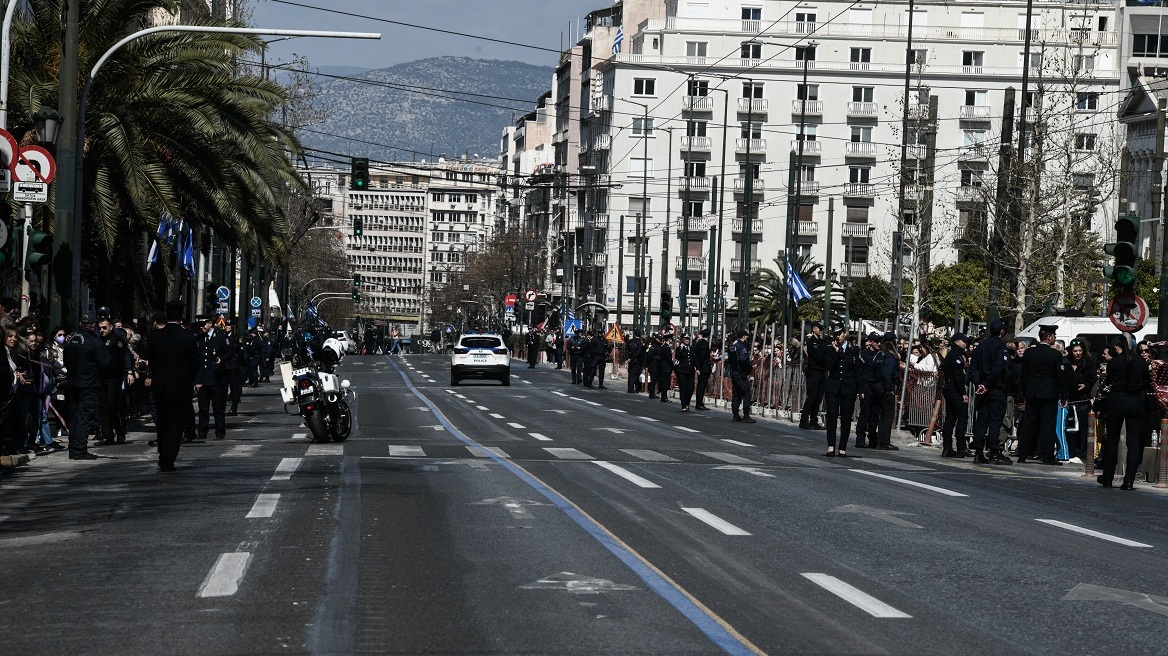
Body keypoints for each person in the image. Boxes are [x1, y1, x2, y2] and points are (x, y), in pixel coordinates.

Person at [145, 304, 198, 472]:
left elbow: (151, 360)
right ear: (181, 315)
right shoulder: (188, 337)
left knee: (163, 421)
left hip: (161, 386)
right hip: (181, 387)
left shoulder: (155, 337)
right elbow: (194, 363)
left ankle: (163, 453)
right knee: (176, 424)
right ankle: (169, 457)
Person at [1099, 336, 1148, 490]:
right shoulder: (1140, 362)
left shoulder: (1114, 362)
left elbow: (1108, 382)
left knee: (1112, 441)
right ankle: (1129, 481)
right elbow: (1146, 382)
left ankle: (1107, 478)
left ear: (1116, 347)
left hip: (1117, 401)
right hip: (1135, 401)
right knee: (1133, 442)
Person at [1017, 324, 1067, 466]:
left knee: (1028, 424)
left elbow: (1024, 376)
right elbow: (1060, 377)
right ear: (1049, 337)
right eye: (1054, 336)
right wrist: (1064, 396)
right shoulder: (1055, 355)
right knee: (1048, 425)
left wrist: (1026, 393)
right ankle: (1047, 456)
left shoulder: (1029, 353)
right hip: (1049, 394)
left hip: (1032, 393)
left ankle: (1022, 454)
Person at [63, 317, 111, 460]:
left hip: (73, 383)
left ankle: (74, 448)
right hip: (88, 384)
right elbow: (105, 361)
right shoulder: (94, 341)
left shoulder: (71, 339)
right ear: (94, 325)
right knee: (84, 417)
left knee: (74, 417)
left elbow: (66, 360)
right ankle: (79, 450)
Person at [969, 319, 1012, 465]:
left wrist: (979, 384)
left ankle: (979, 451)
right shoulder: (1000, 347)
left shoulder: (981, 346)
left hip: (983, 388)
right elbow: (999, 367)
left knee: (981, 420)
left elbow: (973, 368)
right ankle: (994, 451)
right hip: (995, 388)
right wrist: (987, 384)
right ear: (1002, 331)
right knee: (995, 421)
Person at [194, 316, 233, 440]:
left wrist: (221, 359)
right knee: (203, 408)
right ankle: (202, 432)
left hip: (217, 378)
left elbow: (229, 352)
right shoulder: (199, 338)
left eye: (203, 324)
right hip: (203, 379)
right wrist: (197, 380)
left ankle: (220, 431)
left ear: (210, 324)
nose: (201, 327)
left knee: (218, 407)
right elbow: (198, 361)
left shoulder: (220, 335)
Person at [95, 316, 133, 445]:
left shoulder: (117, 341)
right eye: (100, 328)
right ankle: (108, 435)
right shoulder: (98, 340)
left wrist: (128, 371)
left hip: (113, 377)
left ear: (111, 327)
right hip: (101, 378)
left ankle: (120, 433)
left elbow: (120, 359)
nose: (102, 330)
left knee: (113, 406)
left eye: (104, 328)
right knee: (104, 407)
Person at [823, 327, 860, 456]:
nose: (838, 337)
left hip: (848, 387)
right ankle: (831, 445)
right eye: (835, 334)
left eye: (840, 334)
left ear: (845, 334)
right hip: (833, 386)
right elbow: (829, 366)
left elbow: (856, 368)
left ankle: (842, 446)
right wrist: (836, 352)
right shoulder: (830, 349)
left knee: (845, 418)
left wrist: (860, 389)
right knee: (832, 416)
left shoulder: (854, 349)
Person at [1065, 339, 1096, 463]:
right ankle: (1071, 450)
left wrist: (1086, 385)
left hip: (1082, 400)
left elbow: (1092, 379)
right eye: (1075, 351)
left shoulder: (1088, 363)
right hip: (1069, 399)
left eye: (1079, 351)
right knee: (1070, 427)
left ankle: (1082, 453)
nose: (1077, 353)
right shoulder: (1066, 362)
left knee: (1083, 427)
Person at [870, 333, 900, 450]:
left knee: (881, 414)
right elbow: (887, 374)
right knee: (887, 415)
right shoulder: (889, 356)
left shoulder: (879, 355)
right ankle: (884, 441)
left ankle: (879, 440)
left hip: (877, 386)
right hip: (885, 388)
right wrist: (889, 389)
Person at [854, 332, 881, 448]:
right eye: (876, 341)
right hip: (866, 387)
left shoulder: (881, 355)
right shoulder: (863, 356)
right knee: (865, 413)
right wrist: (860, 390)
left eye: (880, 341)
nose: (878, 344)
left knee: (875, 415)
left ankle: (872, 438)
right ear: (870, 342)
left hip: (877, 388)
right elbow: (859, 374)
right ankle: (860, 439)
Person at [800, 321, 828, 430]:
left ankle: (813, 420)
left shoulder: (823, 342)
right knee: (811, 397)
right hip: (814, 372)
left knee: (818, 398)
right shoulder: (811, 342)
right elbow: (819, 356)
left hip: (821, 371)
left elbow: (826, 355)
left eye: (822, 329)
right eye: (819, 328)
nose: (821, 331)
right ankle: (803, 420)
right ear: (814, 329)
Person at [727, 329, 756, 422]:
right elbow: (744, 360)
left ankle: (735, 414)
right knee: (746, 393)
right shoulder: (741, 346)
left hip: (734, 372)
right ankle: (746, 415)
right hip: (741, 373)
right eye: (746, 336)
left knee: (736, 393)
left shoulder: (733, 346)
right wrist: (749, 366)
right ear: (743, 336)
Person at [223, 322, 245, 415]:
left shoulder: (236, 337)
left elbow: (239, 351)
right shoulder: (223, 336)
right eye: (226, 326)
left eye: (228, 326)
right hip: (224, 364)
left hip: (233, 364)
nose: (226, 327)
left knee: (234, 386)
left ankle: (234, 408)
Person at [675, 333, 696, 411]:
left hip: (690, 371)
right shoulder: (679, 348)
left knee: (690, 388)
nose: (687, 340)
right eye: (685, 339)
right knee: (683, 388)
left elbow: (694, 359)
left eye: (688, 339)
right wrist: (681, 349)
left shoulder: (692, 348)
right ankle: (684, 405)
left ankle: (687, 403)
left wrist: (697, 368)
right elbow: (677, 357)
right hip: (682, 371)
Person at [692, 329, 713, 410]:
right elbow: (702, 357)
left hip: (701, 367)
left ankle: (699, 402)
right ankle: (699, 403)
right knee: (702, 386)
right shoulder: (704, 344)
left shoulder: (699, 343)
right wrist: (699, 367)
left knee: (700, 386)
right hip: (704, 368)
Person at [655, 334, 674, 403]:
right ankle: (664, 397)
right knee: (665, 383)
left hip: (664, 367)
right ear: (669, 340)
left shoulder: (664, 347)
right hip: (666, 368)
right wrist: (673, 366)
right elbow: (668, 359)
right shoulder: (666, 348)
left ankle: (664, 397)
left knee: (664, 383)